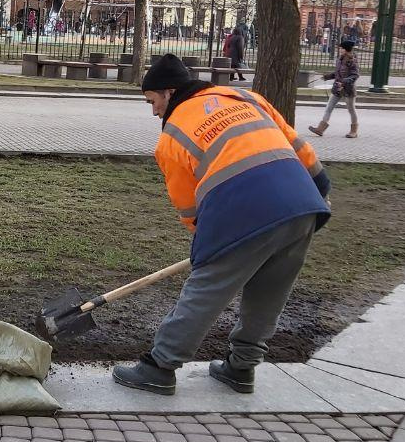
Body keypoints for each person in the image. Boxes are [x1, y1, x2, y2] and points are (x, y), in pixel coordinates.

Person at [114, 54, 330, 396]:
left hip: (243, 210)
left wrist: (207, 251)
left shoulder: (171, 137)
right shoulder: (246, 98)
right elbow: (301, 149)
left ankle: (159, 366)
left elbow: (190, 209)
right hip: (302, 206)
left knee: (205, 290)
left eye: (152, 102)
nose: (154, 111)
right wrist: (319, 191)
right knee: (270, 291)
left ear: (169, 93)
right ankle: (241, 368)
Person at [309, 39, 361, 138]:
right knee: (329, 107)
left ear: (346, 49)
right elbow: (337, 74)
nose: (340, 49)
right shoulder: (340, 59)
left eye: (341, 48)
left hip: (348, 89)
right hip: (337, 88)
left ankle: (354, 131)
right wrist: (327, 77)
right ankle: (320, 129)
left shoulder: (352, 61)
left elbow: (355, 75)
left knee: (351, 109)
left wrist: (343, 82)